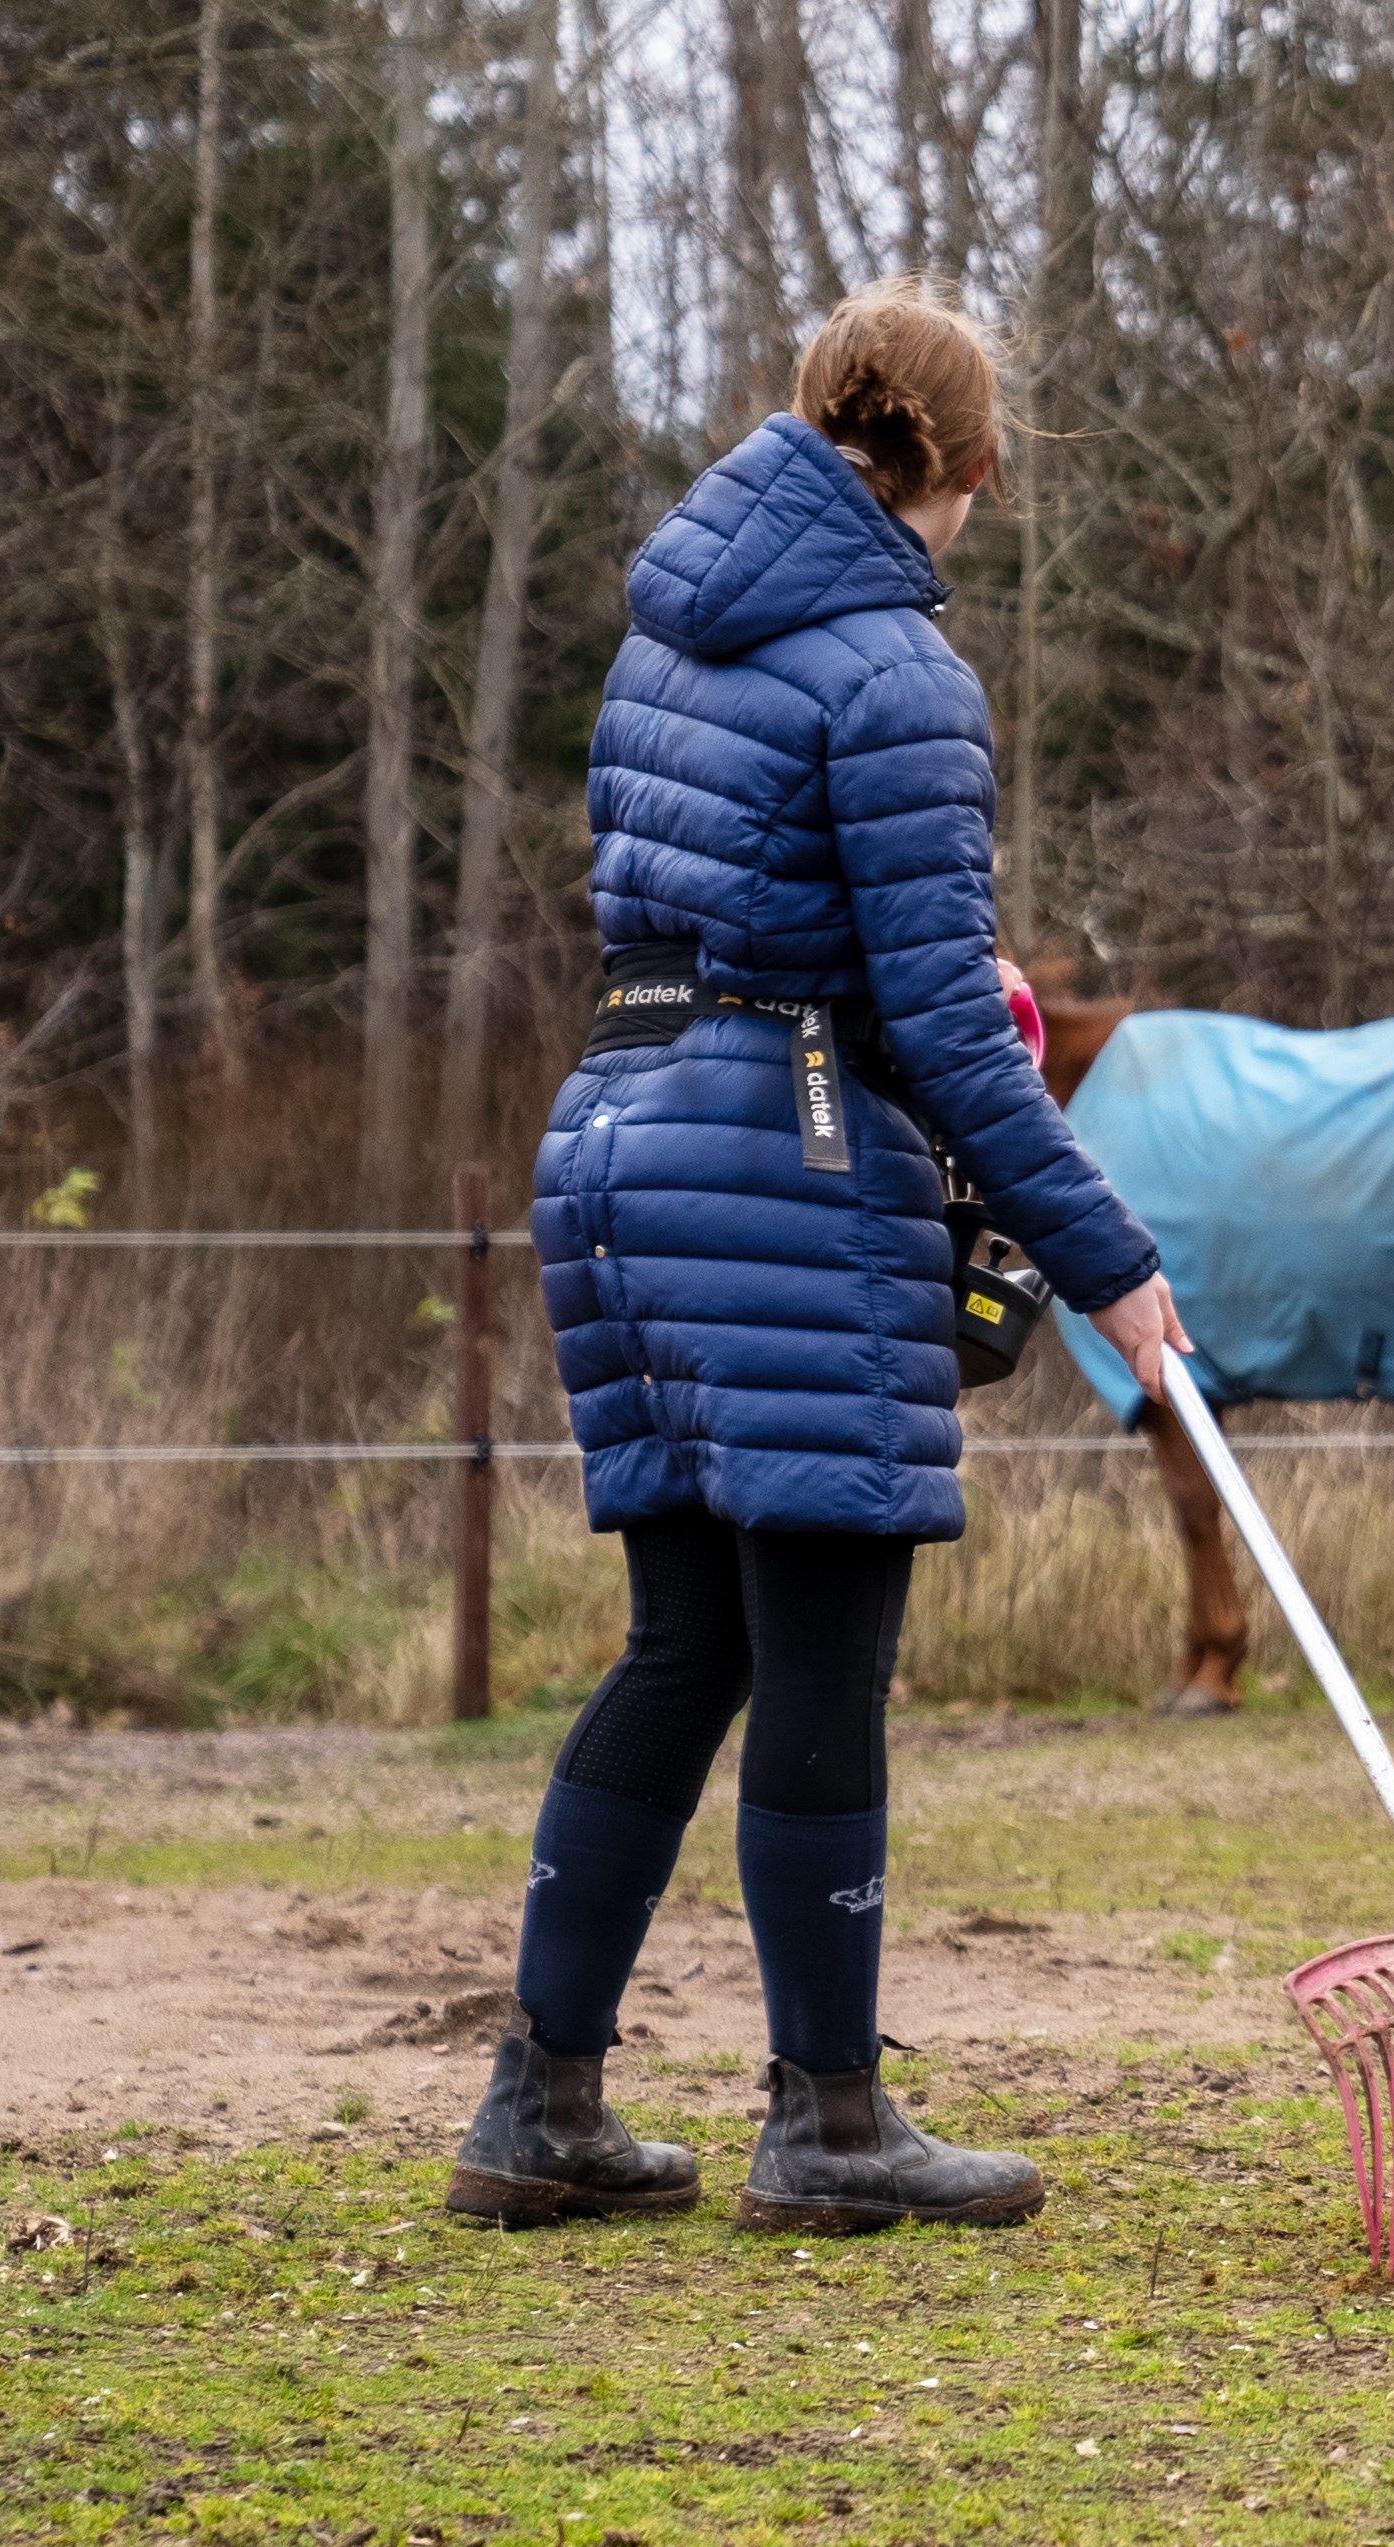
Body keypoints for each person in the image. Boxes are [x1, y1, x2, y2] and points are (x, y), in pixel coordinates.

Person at [450, 280, 1192, 2236]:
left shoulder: (665, 643)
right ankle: (831, 2119)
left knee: (686, 1638)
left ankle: (544, 2098)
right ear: (959, 465)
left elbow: (742, 917)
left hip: (617, 1130)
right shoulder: (896, 671)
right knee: (824, 1649)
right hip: (780, 1154)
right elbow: (943, 1028)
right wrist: (1108, 1256)